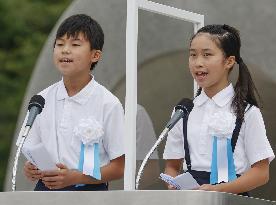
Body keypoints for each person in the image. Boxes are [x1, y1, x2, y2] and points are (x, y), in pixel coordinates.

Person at [163, 24, 274, 195]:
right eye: (193, 55)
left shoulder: (247, 112)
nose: (198, 63)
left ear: (229, 61)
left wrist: (217, 190)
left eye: (207, 55)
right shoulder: (184, 111)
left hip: (232, 196)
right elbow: (172, 165)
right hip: (192, 197)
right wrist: (173, 184)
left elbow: (261, 172)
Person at [19, 14, 125, 191]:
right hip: (45, 192)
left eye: (75, 45)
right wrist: (31, 169)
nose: (65, 50)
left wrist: (74, 177)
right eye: (60, 44)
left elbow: (119, 168)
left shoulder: (108, 103)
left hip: (89, 193)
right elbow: (31, 149)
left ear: (95, 55)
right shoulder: (41, 99)